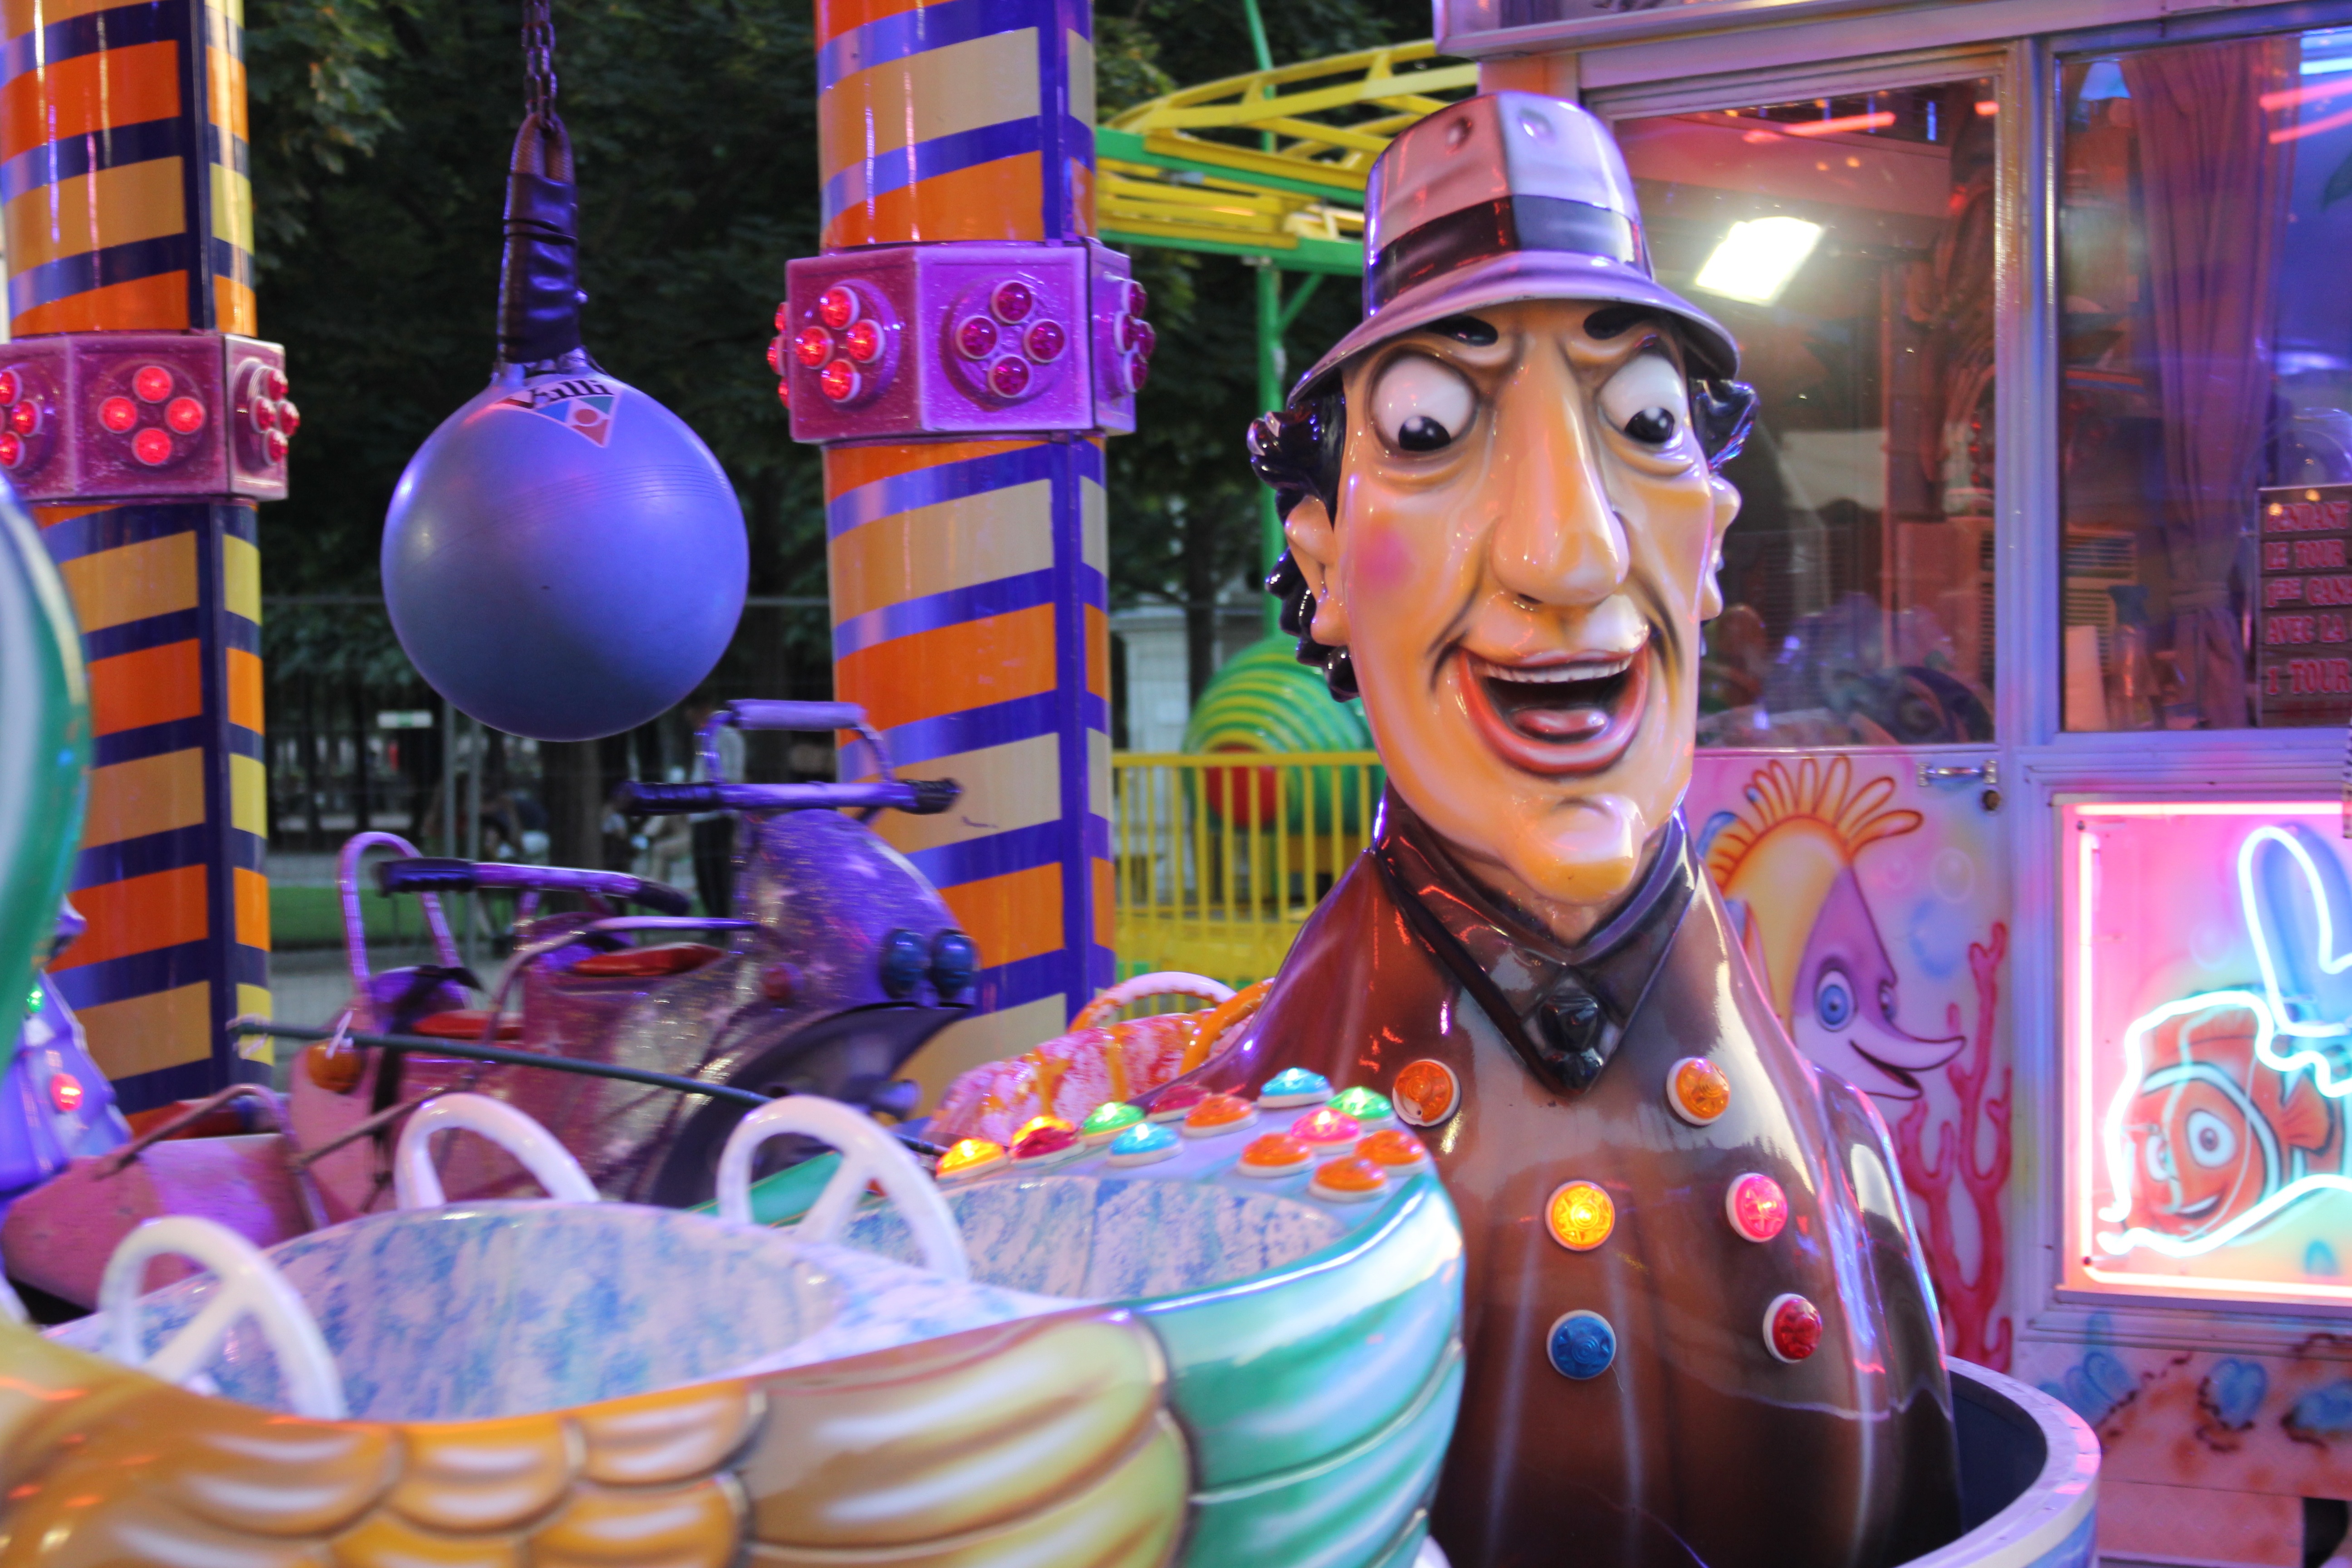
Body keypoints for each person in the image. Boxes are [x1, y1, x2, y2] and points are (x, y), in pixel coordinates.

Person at [1179, 93, 1962, 1568]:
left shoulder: (1836, 1153)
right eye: (1433, 430)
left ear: (1709, 537)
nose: (1572, 552)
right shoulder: (1243, 1166)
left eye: (1643, 425)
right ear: (1324, 565)